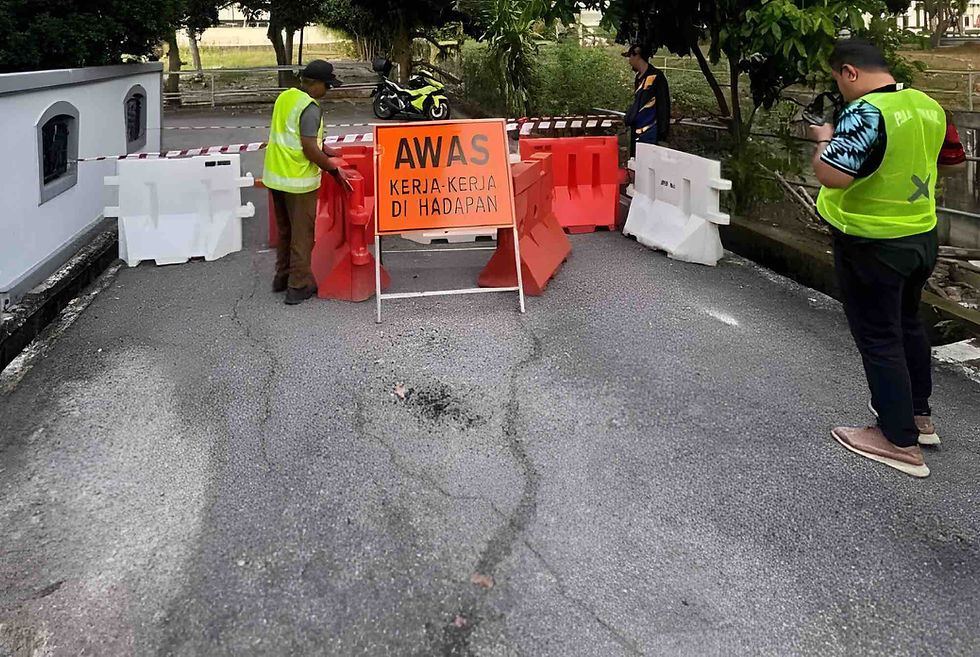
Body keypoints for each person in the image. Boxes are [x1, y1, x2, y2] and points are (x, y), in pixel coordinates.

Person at [809, 39, 966, 478]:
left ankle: (897, 440)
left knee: (879, 337)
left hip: (872, 242)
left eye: (839, 80)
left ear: (850, 73)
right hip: (920, 237)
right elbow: (953, 162)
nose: (840, 90)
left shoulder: (864, 112)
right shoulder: (929, 106)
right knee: (908, 324)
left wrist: (823, 138)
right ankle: (919, 417)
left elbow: (832, 175)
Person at [263, 59, 351, 305]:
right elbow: (309, 149)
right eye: (327, 86)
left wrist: (326, 149)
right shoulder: (311, 108)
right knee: (302, 236)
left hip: (275, 177)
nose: (328, 91)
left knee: (285, 232)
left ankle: (282, 277)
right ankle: (299, 286)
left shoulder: (286, 98)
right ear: (315, 84)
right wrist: (333, 170)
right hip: (298, 182)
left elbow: (295, 135)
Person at [622, 44, 670, 155]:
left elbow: (664, 106)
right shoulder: (638, 78)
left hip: (651, 132)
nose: (629, 61)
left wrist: (662, 135)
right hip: (636, 132)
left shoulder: (657, 77)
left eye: (630, 57)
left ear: (637, 55)